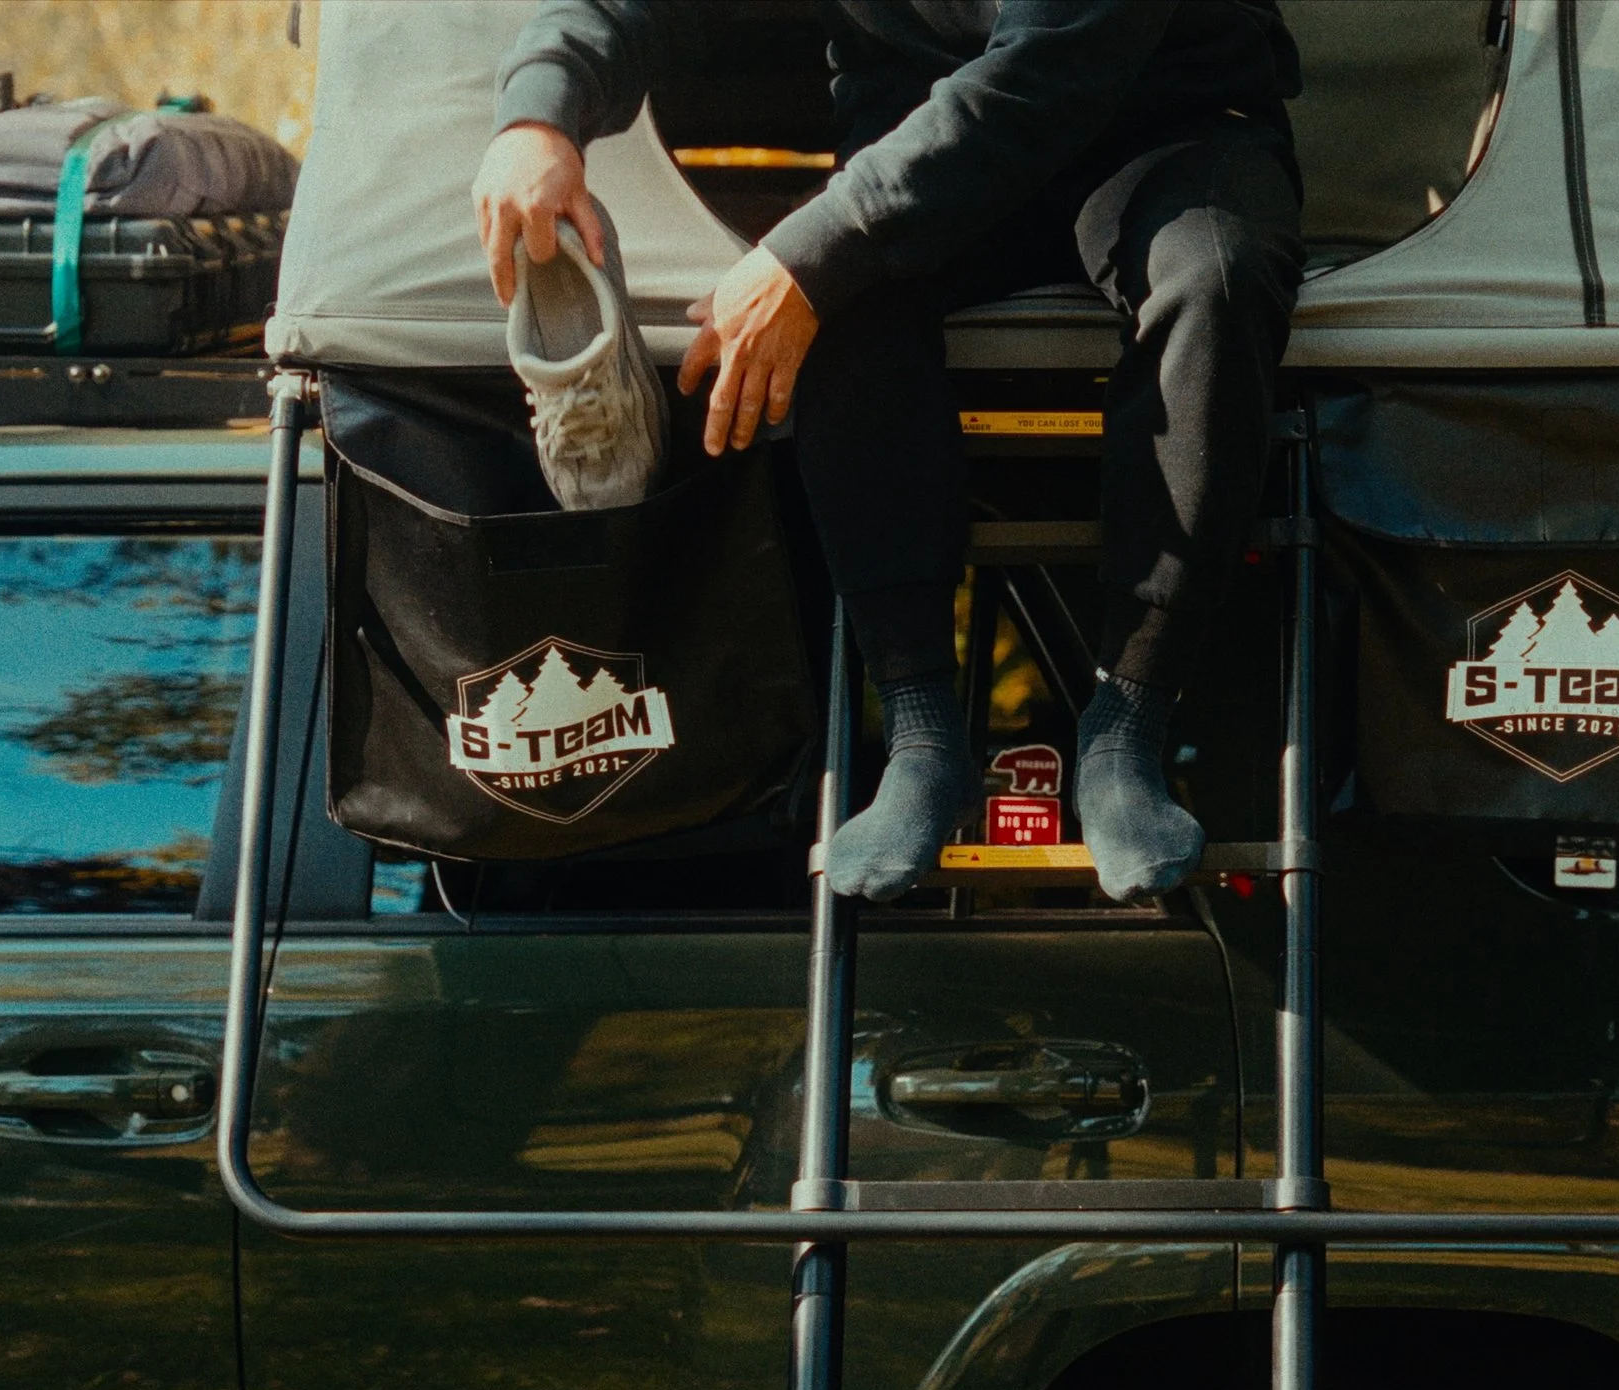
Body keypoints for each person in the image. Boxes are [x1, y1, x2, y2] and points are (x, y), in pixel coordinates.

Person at [473, 1, 1304, 903]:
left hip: (1170, 134)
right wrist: (538, 116)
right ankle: (921, 735)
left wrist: (809, 253)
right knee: (833, 312)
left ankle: (1128, 725)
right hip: (920, 131)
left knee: (1215, 283)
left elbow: (1049, 75)